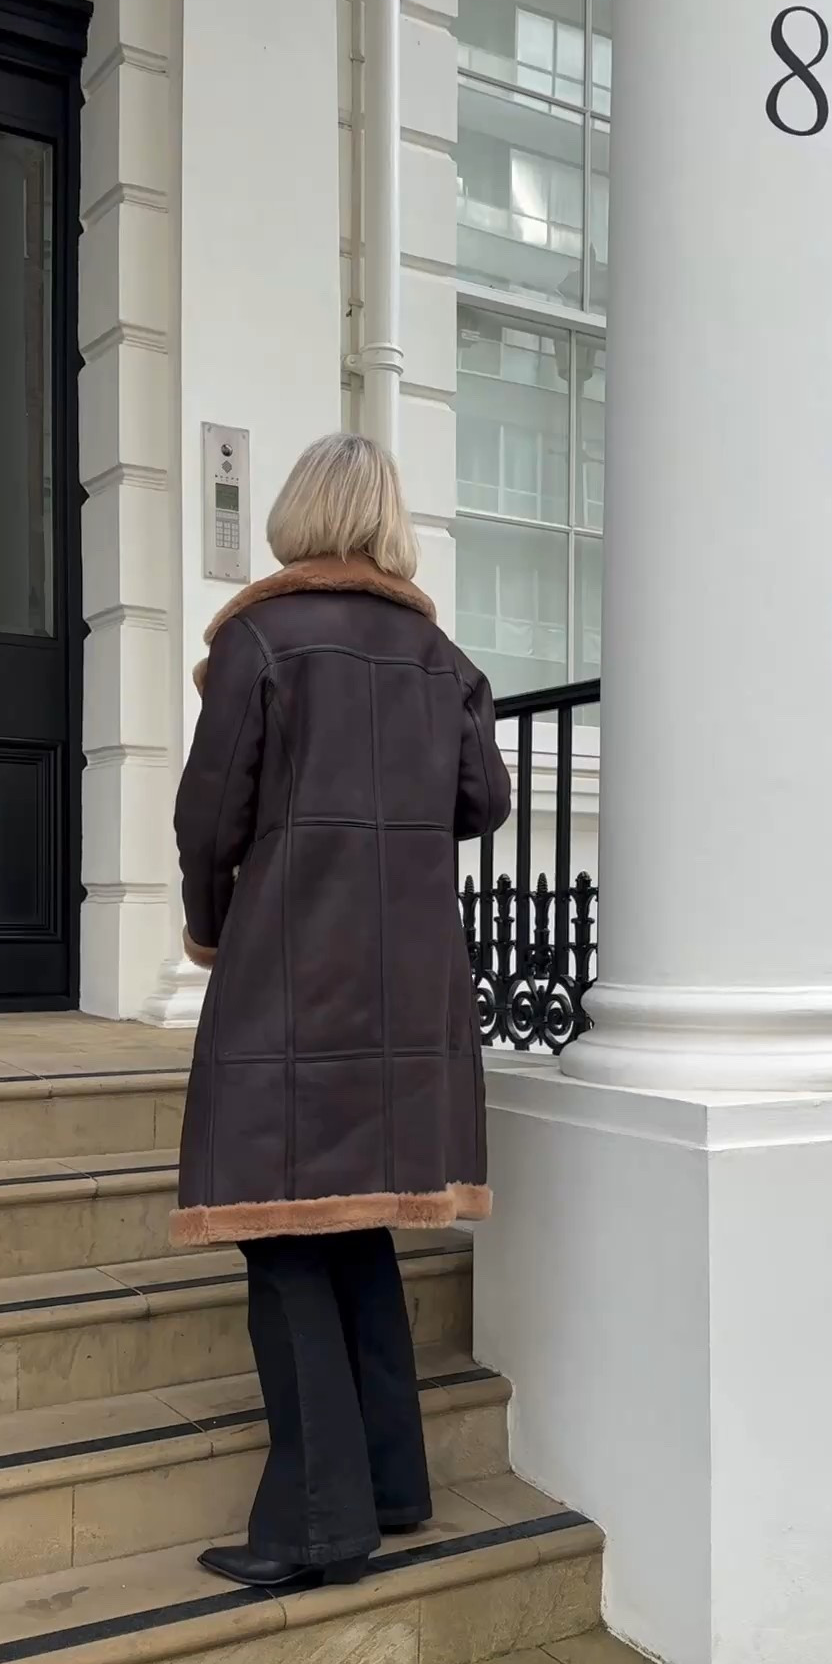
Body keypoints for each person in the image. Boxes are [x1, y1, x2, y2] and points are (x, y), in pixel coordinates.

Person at [170, 432, 511, 1590]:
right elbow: (483, 800)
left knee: (279, 1233)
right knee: (353, 1224)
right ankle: (393, 1484)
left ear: (298, 513)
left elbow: (208, 821)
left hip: (286, 968)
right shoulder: (440, 659)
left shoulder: (260, 640)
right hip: (408, 984)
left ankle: (317, 1523)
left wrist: (213, 927)